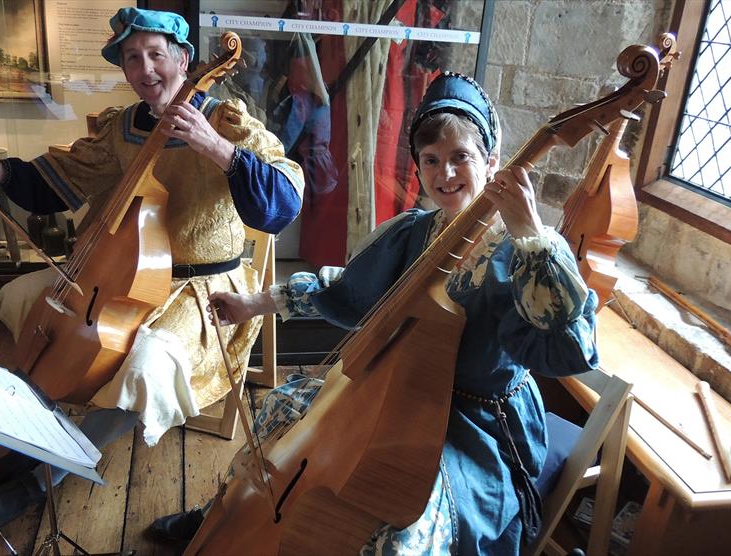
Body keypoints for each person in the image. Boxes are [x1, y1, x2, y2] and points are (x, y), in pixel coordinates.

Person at [148, 72, 600, 554]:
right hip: (393, 391)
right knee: (282, 411)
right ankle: (225, 515)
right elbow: (345, 291)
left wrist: (530, 232)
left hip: (473, 425)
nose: (445, 175)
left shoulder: (527, 248)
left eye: (460, 157)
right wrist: (253, 303)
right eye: (431, 161)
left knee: (400, 531)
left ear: (491, 161)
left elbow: (571, 350)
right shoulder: (413, 231)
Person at [0, 7, 304, 528]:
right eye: (133, 59)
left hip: (200, 290)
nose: (146, 69)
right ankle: (36, 434)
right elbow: (66, 173)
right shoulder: (123, 126)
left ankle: (53, 467)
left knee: (144, 367)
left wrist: (217, 147)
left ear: (184, 59)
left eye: (157, 54)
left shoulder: (226, 120)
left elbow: (286, 197)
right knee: (25, 296)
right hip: (116, 274)